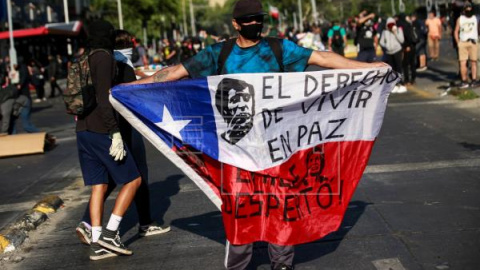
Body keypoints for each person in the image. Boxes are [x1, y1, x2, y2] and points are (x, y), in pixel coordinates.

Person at [126, 1, 386, 269]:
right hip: (237, 150)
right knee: (240, 208)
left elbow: (322, 58)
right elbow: (173, 73)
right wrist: (129, 88)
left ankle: (282, 264)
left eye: (258, 19)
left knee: (282, 205)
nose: (255, 24)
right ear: (236, 24)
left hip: (277, 147)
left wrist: (367, 68)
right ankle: (239, 264)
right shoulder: (219, 53)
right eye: (248, 20)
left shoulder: (279, 48)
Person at [75, 29, 171, 247]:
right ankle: (134, 225)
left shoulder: (95, 61)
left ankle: (91, 227)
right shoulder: (116, 63)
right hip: (120, 127)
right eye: (130, 42)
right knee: (136, 177)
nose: (133, 45)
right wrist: (115, 132)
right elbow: (121, 92)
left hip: (88, 129)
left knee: (103, 180)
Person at [75, 20, 142, 261]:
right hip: (102, 129)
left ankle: (97, 242)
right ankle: (111, 234)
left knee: (99, 186)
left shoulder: (84, 57)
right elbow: (105, 99)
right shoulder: (103, 57)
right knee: (133, 180)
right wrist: (114, 132)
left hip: (82, 129)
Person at [454, 2, 478, 88]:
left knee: (473, 62)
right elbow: (456, 31)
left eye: (469, 7)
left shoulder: (475, 18)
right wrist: (458, 42)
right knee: (463, 62)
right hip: (463, 42)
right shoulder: (460, 19)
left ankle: (474, 80)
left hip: (473, 42)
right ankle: (464, 80)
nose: (468, 9)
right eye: (466, 8)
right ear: (464, 10)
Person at [380, 17, 406, 93]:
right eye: (389, 25)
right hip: (389, 52)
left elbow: (402, 40)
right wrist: (386, 46)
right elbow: (381, 42)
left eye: (392, 24)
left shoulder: (398, 30)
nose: (391, 26)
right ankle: (394, 84)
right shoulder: (385, 32)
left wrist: (395, 33)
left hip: (397, 51)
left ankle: (401, 83)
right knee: (392, 69)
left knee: (399, 67)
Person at [397, 13, 417, 85]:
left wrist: (406, 46)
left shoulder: (401, 25)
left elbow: (406, 36)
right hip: (413, 46)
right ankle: (413, 79)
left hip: (407, 46)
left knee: (405, 64)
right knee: (412, 63)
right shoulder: (409, 24)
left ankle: (407, 80)